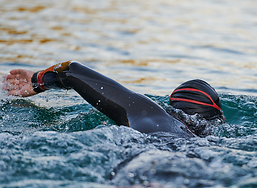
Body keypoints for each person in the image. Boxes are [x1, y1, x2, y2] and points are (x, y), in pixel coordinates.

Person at [3, 61, 224, 137]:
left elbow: (71, 70)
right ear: (217, 120)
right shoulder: (218, 145)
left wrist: (36, 80)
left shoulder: (152, 114)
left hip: (142, 160)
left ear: (172, 107)